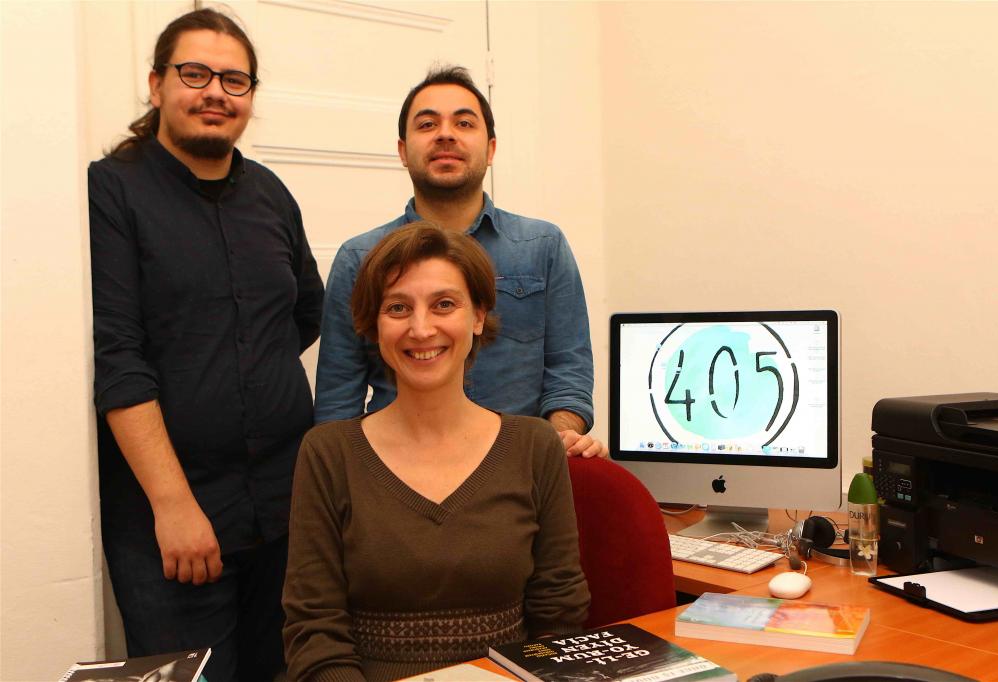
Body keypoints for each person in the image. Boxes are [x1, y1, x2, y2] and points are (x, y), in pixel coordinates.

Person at [88, 9, 323, 680]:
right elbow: (117, 357)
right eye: (195, 74)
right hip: (173, 523)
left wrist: (243, 368)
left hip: (283, 509)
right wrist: (173, 505)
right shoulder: (111, 190)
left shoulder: (270, 193)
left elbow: (307, 311)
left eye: (234, 79)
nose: (215, 92)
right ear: (156, 84)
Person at [283, 222, 590, 681]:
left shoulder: (534, 446)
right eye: (398, 307)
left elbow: (558, 618)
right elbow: (314, 634)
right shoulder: (328, 454)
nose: (421, 328)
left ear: (478, 316)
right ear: (374, 326)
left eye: (444, 304)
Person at [315, 66, 608, 458]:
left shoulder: (542, 247)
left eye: (464, 123)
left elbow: (568, 371)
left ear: (491, 149)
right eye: (427, 124)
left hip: (522, 469)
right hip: (396, 470)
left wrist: (555, 445)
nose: (445, 134)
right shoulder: (359, 259)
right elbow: (338, 400)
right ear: (402, 151)